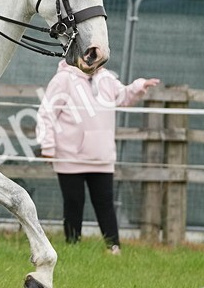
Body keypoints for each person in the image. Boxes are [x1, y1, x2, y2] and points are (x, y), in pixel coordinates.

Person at [37, 60, 160, 254]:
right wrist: (48, 146)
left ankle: (113, 247)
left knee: (105, 203)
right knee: (73, 203)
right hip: (70, 157)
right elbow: (47, 113)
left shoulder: (107, 78)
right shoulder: (63, 80)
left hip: (101, 157)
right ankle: (72, 246)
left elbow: (123, 97)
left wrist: (138, 87)